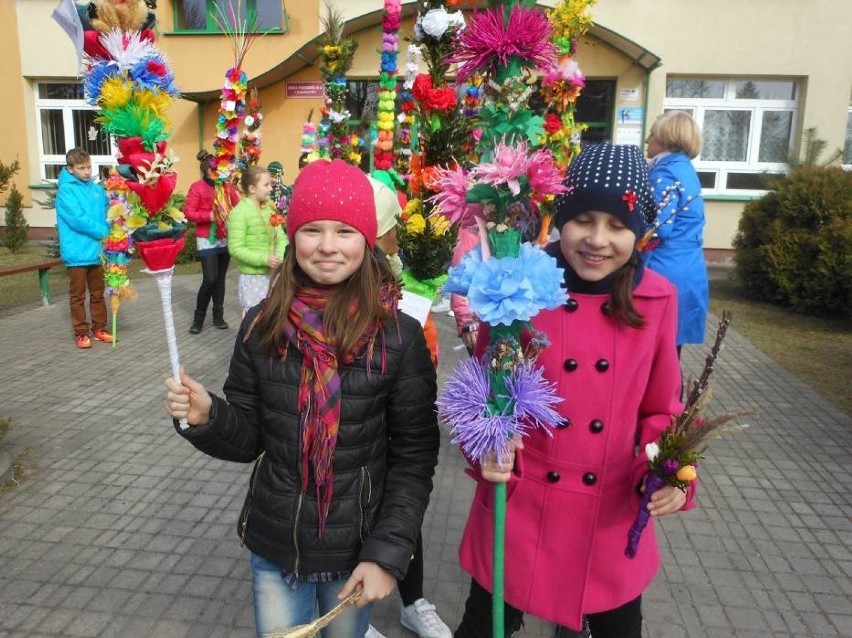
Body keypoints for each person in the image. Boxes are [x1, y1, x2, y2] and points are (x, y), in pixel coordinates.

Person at [164, 158, 440, 638]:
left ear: (367, 239)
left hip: (355, 550)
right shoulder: (260, 325)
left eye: (345, 231)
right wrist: (209, 418)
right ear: (293, 237)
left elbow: (413, 458)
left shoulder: (399, 337)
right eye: (312, 230)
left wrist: (386, 555)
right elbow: (250, 437)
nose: (328, 246)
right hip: (277, 548)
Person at [454, 143, 696, 638]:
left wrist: (670, 473)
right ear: (559, 221)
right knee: (483, 628)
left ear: (640, 234)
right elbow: (478, 395)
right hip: (520, 504)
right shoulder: (517, 291)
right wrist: (486, 448)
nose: (598, 240)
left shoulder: (655, 300)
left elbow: (661, 409)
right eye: (583, 219)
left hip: (607, 513)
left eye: (618, 225)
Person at [364, 176, 451, 638]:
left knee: (403, 510)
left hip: (401, 406)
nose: (401, 230)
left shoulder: (395, 265)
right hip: (361, 420)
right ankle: (352, 619)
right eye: (395, 223)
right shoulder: (358, 269)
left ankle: (413, 601)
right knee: (359, 510)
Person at [644, 111, 709, 355]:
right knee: (672, 351)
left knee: (657, 353)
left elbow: (658, 228)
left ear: (665, 138)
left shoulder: (665, 172)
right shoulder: (685, 169)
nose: (647, 139)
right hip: (688, 266)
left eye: (652, 133)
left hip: (664, 267)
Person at [55, 147, 111, 349]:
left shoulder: (96, 189)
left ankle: (99, 328)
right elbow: (78, 220)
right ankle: (81, 332)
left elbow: (108, 210)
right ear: (70, 169)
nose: (87, 171)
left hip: (96, 251)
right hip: (77, 251)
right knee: (78, 295)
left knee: (98, 292)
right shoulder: (66, 191)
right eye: (81, 168)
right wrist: (104, 232)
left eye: (89, 167)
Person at [184, 150, 239, 334]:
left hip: (225, 237)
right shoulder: (197, 187)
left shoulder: (226, 186)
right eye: (213, 170)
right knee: (210, 279)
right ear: (206, 170)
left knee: (221, 279)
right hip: (206, 238)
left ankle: (218, 316)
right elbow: (189, 212)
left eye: (219, 169)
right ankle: (198, 319)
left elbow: (238, 205)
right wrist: (209, 215)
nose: (216, 173)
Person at [227, 165, 287, 316]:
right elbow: (235, 248)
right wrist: (264, 259)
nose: (270, 189)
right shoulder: (239, 213)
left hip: (273, 274)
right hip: (253, 278)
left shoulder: (269, 209)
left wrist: (279, 256)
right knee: (255, 321)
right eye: (266, 185)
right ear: (253, 188)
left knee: (274, 317)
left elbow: (280, 236)